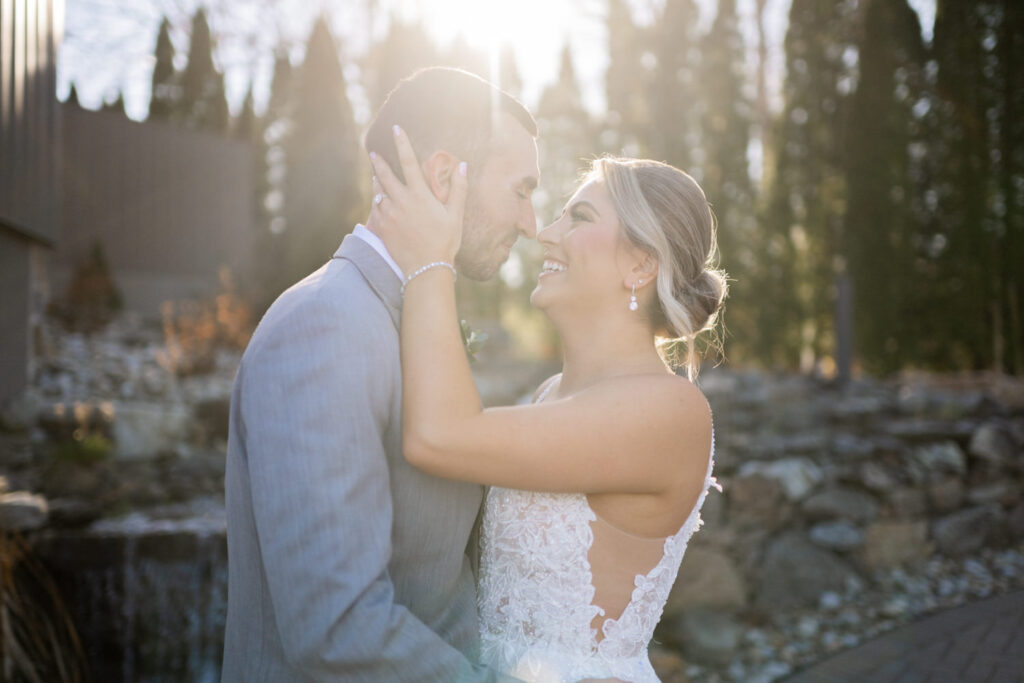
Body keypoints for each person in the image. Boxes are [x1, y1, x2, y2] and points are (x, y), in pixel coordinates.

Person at [368, 127, 728, 682]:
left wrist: (428, 259)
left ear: (640, 265)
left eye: (578, 218)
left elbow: (437, 435)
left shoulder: (672, 411)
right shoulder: (548, 395)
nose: (544, 233)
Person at [221, 67, 538, 681]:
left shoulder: (417, 322)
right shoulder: (322, 325)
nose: (530, 222)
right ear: (446, 176)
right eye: (521, 190)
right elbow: (337, 630)